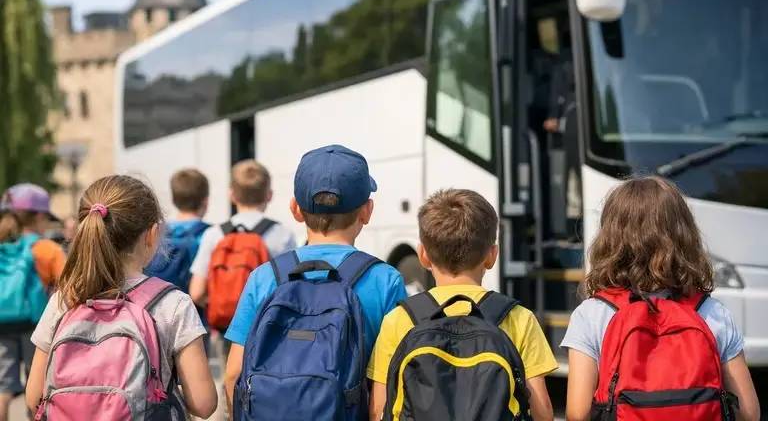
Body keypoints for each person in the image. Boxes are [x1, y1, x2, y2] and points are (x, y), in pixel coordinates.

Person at [224, 144, 407, 416]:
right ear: (367, 211)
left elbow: (233, 375)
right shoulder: (385, 280)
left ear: (295, 209)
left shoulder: (265, 276)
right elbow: (389, 385)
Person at [562, 176, 760, 421]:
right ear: (683, 236)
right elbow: (749, 413)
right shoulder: (711, 312)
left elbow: (577, 413)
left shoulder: (591, 314)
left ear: (610, 239)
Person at [24, 175, 217, 419]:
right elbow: (203, 403)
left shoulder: (65, 300)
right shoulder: (173, 303)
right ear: (152, 234)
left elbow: (33, 398)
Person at [368, 189, 557, 421]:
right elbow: (543, 411)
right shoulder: (518, 317)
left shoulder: (399, 319)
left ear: (423, 255)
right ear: (492, 255)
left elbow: (378, 409)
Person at [188, 160, 296, 317]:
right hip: (267, 326)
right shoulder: (283, 235)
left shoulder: (214, 234)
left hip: (225, 328)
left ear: (231, 195)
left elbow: (196, 293)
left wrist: (223, 305)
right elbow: (291, 288)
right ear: (269, 195)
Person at [0, 184, 65, 421]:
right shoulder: (48, 249)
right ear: (39, 216)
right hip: (34, 326)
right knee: (35, 382)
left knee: (3, 388)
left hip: (2, 323)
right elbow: (71, 285)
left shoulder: (2, 246)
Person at [145, 168, 210, 293]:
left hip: (156, 303)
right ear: (205, 201)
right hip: (192, 307)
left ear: (174, 200)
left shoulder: (157, 232)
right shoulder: (209, 234)